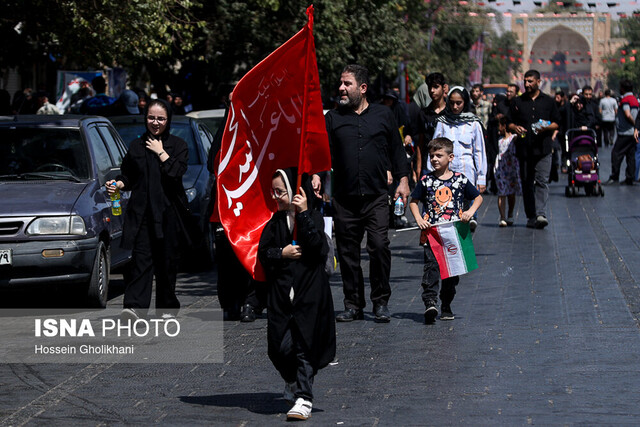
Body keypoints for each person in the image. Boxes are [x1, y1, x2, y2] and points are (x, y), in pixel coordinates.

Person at [323, 64, 410, 323]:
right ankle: (353, 304)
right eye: (340, 83)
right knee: (348, 254)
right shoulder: (333, 119)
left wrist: (403, 181)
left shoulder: (383, 115)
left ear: (362, 88)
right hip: (345, 199)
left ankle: (380, 302)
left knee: (379, 246)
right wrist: (317, 176)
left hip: (375, 197)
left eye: (346, 84)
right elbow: (321, 154)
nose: (341, 88)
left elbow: (396, 151)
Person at [258, 168, 336, 421]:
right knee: (278, 348)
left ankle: (304, 397)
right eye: (274, 192)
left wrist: (302, 215)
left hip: (309, 296)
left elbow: (318, 248)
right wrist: (282, 253)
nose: (276, 197)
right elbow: (263, 253)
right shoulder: (275, 223)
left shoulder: (311, 216)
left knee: (304, 346)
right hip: (281, 298)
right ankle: (292, 380)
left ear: (294, 192)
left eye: (280, 192)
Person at [106, 99, 189, 318]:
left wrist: (161, 152)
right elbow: (129, 175)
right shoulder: (135, 146)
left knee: (166, 264)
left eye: (161, 118)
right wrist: (119, 184)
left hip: (168, 214)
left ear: (168, 120)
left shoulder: (178, 146)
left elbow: (176, 173)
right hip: (142, 214)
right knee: (140, 261)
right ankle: (134, 307)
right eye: (151, 117)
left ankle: (167, 307)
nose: (155, 122)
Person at [408, 137, 483, 323]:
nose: (434, 159)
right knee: (431, 268)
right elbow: (413, 202)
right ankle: (430, 302)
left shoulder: (460, 180)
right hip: (433, 234)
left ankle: (446, 304)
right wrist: (418, 219)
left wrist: (469, 212)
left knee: (451, 274)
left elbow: (478, 198)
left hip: (454, 235)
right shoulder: (426, 181)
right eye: (432, 155)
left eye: (439, 155)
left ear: (450, 157)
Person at [508, 69, 560, 229]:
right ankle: (531, 215)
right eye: (525, 81)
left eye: (530, 81)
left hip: (543, 149)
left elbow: (557, 122)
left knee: (542, 181)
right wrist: (515, 128)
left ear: (538, 82)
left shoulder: (549, 102)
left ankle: (541, 214)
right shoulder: (518, 102)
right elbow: (509, 122)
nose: (527, 84)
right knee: (527, 182)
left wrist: (544, 127)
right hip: (524, 150)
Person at [431, 86, 487, 232]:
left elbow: (479, 151)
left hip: (467, 172)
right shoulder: (442, 122)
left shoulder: (473, 123)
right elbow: (434, 148)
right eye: (452, 103)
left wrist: (481, 177)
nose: (455, 107)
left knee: (466, 210)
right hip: (445, 174)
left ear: (465, 102)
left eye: (459, 103)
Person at [605, 80, 639, 186]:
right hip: (633, 133)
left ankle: (614, 177)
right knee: (630, 155)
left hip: (625, 133)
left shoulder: (625, 100)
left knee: (616, 154)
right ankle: (630, 178)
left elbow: (627, 114)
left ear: (623, 88)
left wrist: (635, 125)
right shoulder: (635, 99)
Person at [415, 72, 448, 178]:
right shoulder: (423, 114)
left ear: (444, 88)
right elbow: (420, 143)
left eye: (436, 87)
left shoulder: (450, 113)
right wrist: (419, 167)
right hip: (428, 165)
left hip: (447, 165)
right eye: (430, 87)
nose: (432, 91)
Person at [494, 117, 521, 227]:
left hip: (511, 169)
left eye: (499, 125)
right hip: (501, 168)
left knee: (511, 193)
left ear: (504, 126)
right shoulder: (499, 140)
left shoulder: (513, 138)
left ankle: (510, 213)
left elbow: (519, 137)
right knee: (501, 192)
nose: (498, 128)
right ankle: (502, 217)